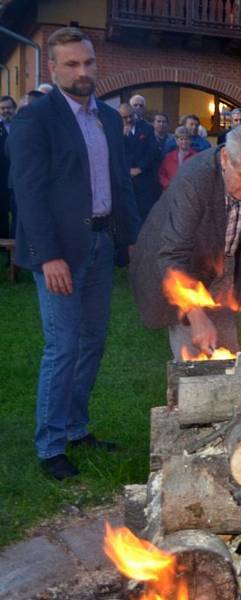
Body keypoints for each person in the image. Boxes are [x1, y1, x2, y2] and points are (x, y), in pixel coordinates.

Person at [8, 27, 140, 480]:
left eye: (88, 63)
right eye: (71, 64)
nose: (82, 72)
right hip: (60, 252)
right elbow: (28, 194)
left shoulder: (106, 117)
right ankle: (49, 446)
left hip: (101, 244)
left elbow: (120, 184)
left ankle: (75, 428)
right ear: (53, 67)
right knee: (62, 346)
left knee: (92, 344)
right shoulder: (35, 119)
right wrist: (48, 256)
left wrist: (131, 238)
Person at [130, 122, 241, 358]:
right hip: (180, 263)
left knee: (227, 353)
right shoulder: (195, 179)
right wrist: (195, 313)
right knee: (194, 356)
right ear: (224, 158)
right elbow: (172, 255)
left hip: (224, 262)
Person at [119, 102, 160, 220]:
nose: (129, 119)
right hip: (125, 179)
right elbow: (115, 153)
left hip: (144, 178)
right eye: (125, 117)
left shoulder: (146, 128)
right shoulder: (116, 130)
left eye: (130, 116)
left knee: (144, 213)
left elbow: (152, 151)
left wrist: (140, 168)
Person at [157, 126, 198, 190]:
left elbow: (199, 176)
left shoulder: (196, 157)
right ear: (176, 141)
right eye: (181, 139)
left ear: (190, 140)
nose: (184, 142)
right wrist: (169, 185)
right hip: (171, 191)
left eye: (186, 139)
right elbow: (162, 175)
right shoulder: (169, 157)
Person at [0, 95, 15, 241]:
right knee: (2, 211)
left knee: (18, 211)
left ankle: (17, 242)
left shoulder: (21, 125)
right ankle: (4, 244)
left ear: (14, 108)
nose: (6, 111)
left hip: (18, 175)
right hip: (2, 176)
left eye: (8, 108)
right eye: (3, 108)